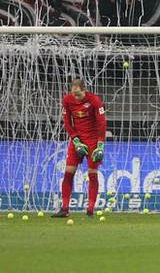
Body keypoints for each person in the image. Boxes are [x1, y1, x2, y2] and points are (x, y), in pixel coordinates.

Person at [52, 79, 107, 218]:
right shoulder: (67, 100)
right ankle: (64, 209)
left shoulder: (94, 101)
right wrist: (76, 140)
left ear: (84, 90)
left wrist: (100, 145)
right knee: (68, 173)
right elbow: (67, 121)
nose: (76, 97)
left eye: (78, 94)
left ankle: (90, 209)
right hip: (77, 140)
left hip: (93, 140)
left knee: (92, 174)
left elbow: (102, 123)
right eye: (74, 94)